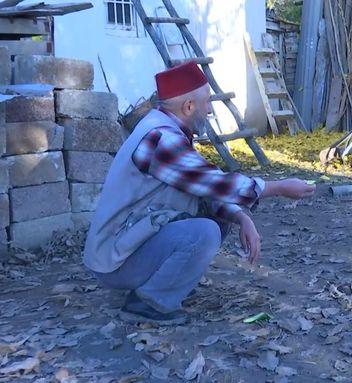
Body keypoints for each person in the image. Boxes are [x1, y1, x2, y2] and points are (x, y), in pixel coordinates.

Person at [83, 61, 315, 325]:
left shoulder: (163, 128)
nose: (210, 109)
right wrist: (280, 187)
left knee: (218, 219)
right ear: (189, 107)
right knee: (203, 233)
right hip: (114, 263)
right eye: (207, 103)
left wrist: (242, 218)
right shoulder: (161, 138)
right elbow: (215, 183)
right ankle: (149, 305)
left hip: (122, 249)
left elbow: (203, 192)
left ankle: (161, 286)